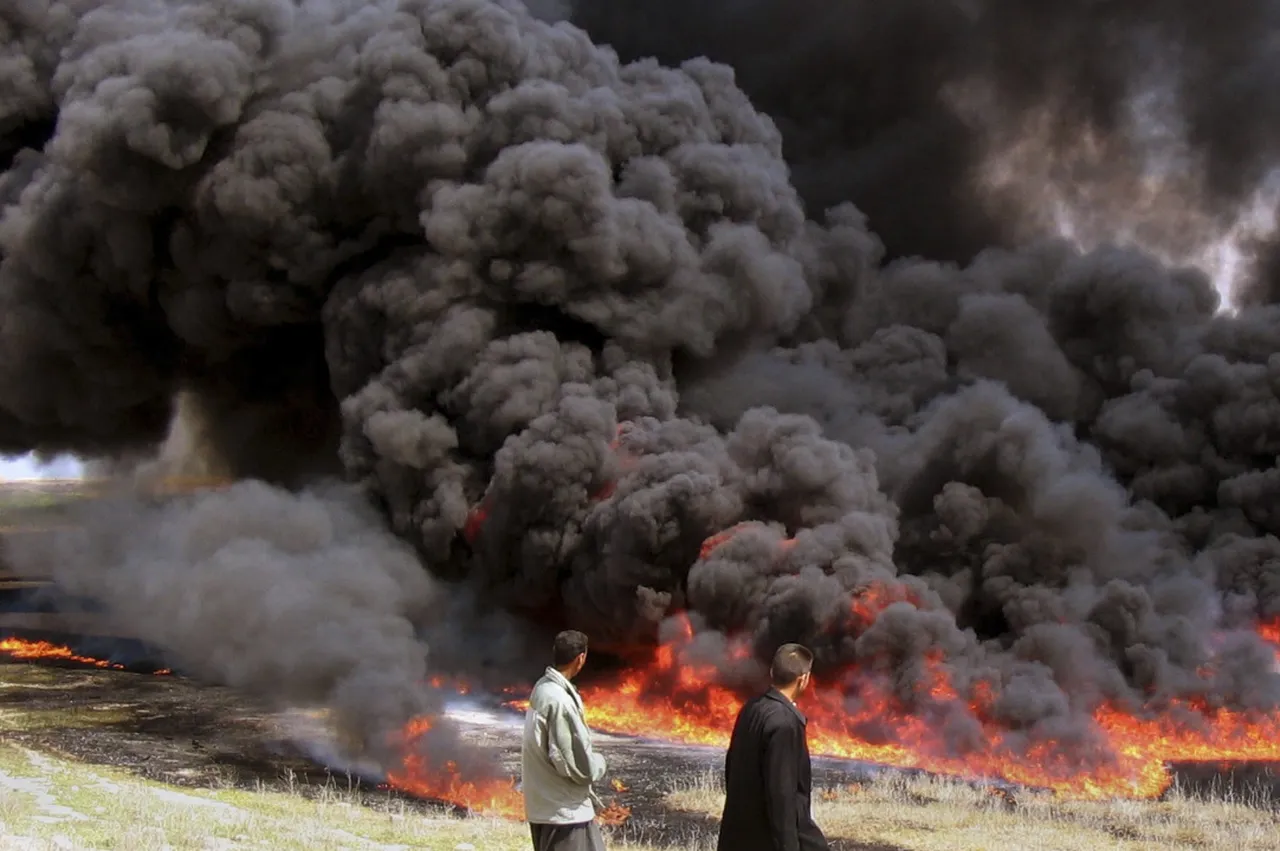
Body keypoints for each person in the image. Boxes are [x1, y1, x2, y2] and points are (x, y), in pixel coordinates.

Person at [717, 643, 830, 851]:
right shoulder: (784, 724)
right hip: (765, 839)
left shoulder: (751, 708)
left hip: (738, 833)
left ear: (772, 672)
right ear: (803, 679)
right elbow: (782, 796)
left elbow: (731, 766)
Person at [521, 629, 609, 851]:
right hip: (564, 814)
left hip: (548, 807)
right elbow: (576, 764)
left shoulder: (543, 688)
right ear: (581, 658)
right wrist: (599, 764)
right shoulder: (559, 702)